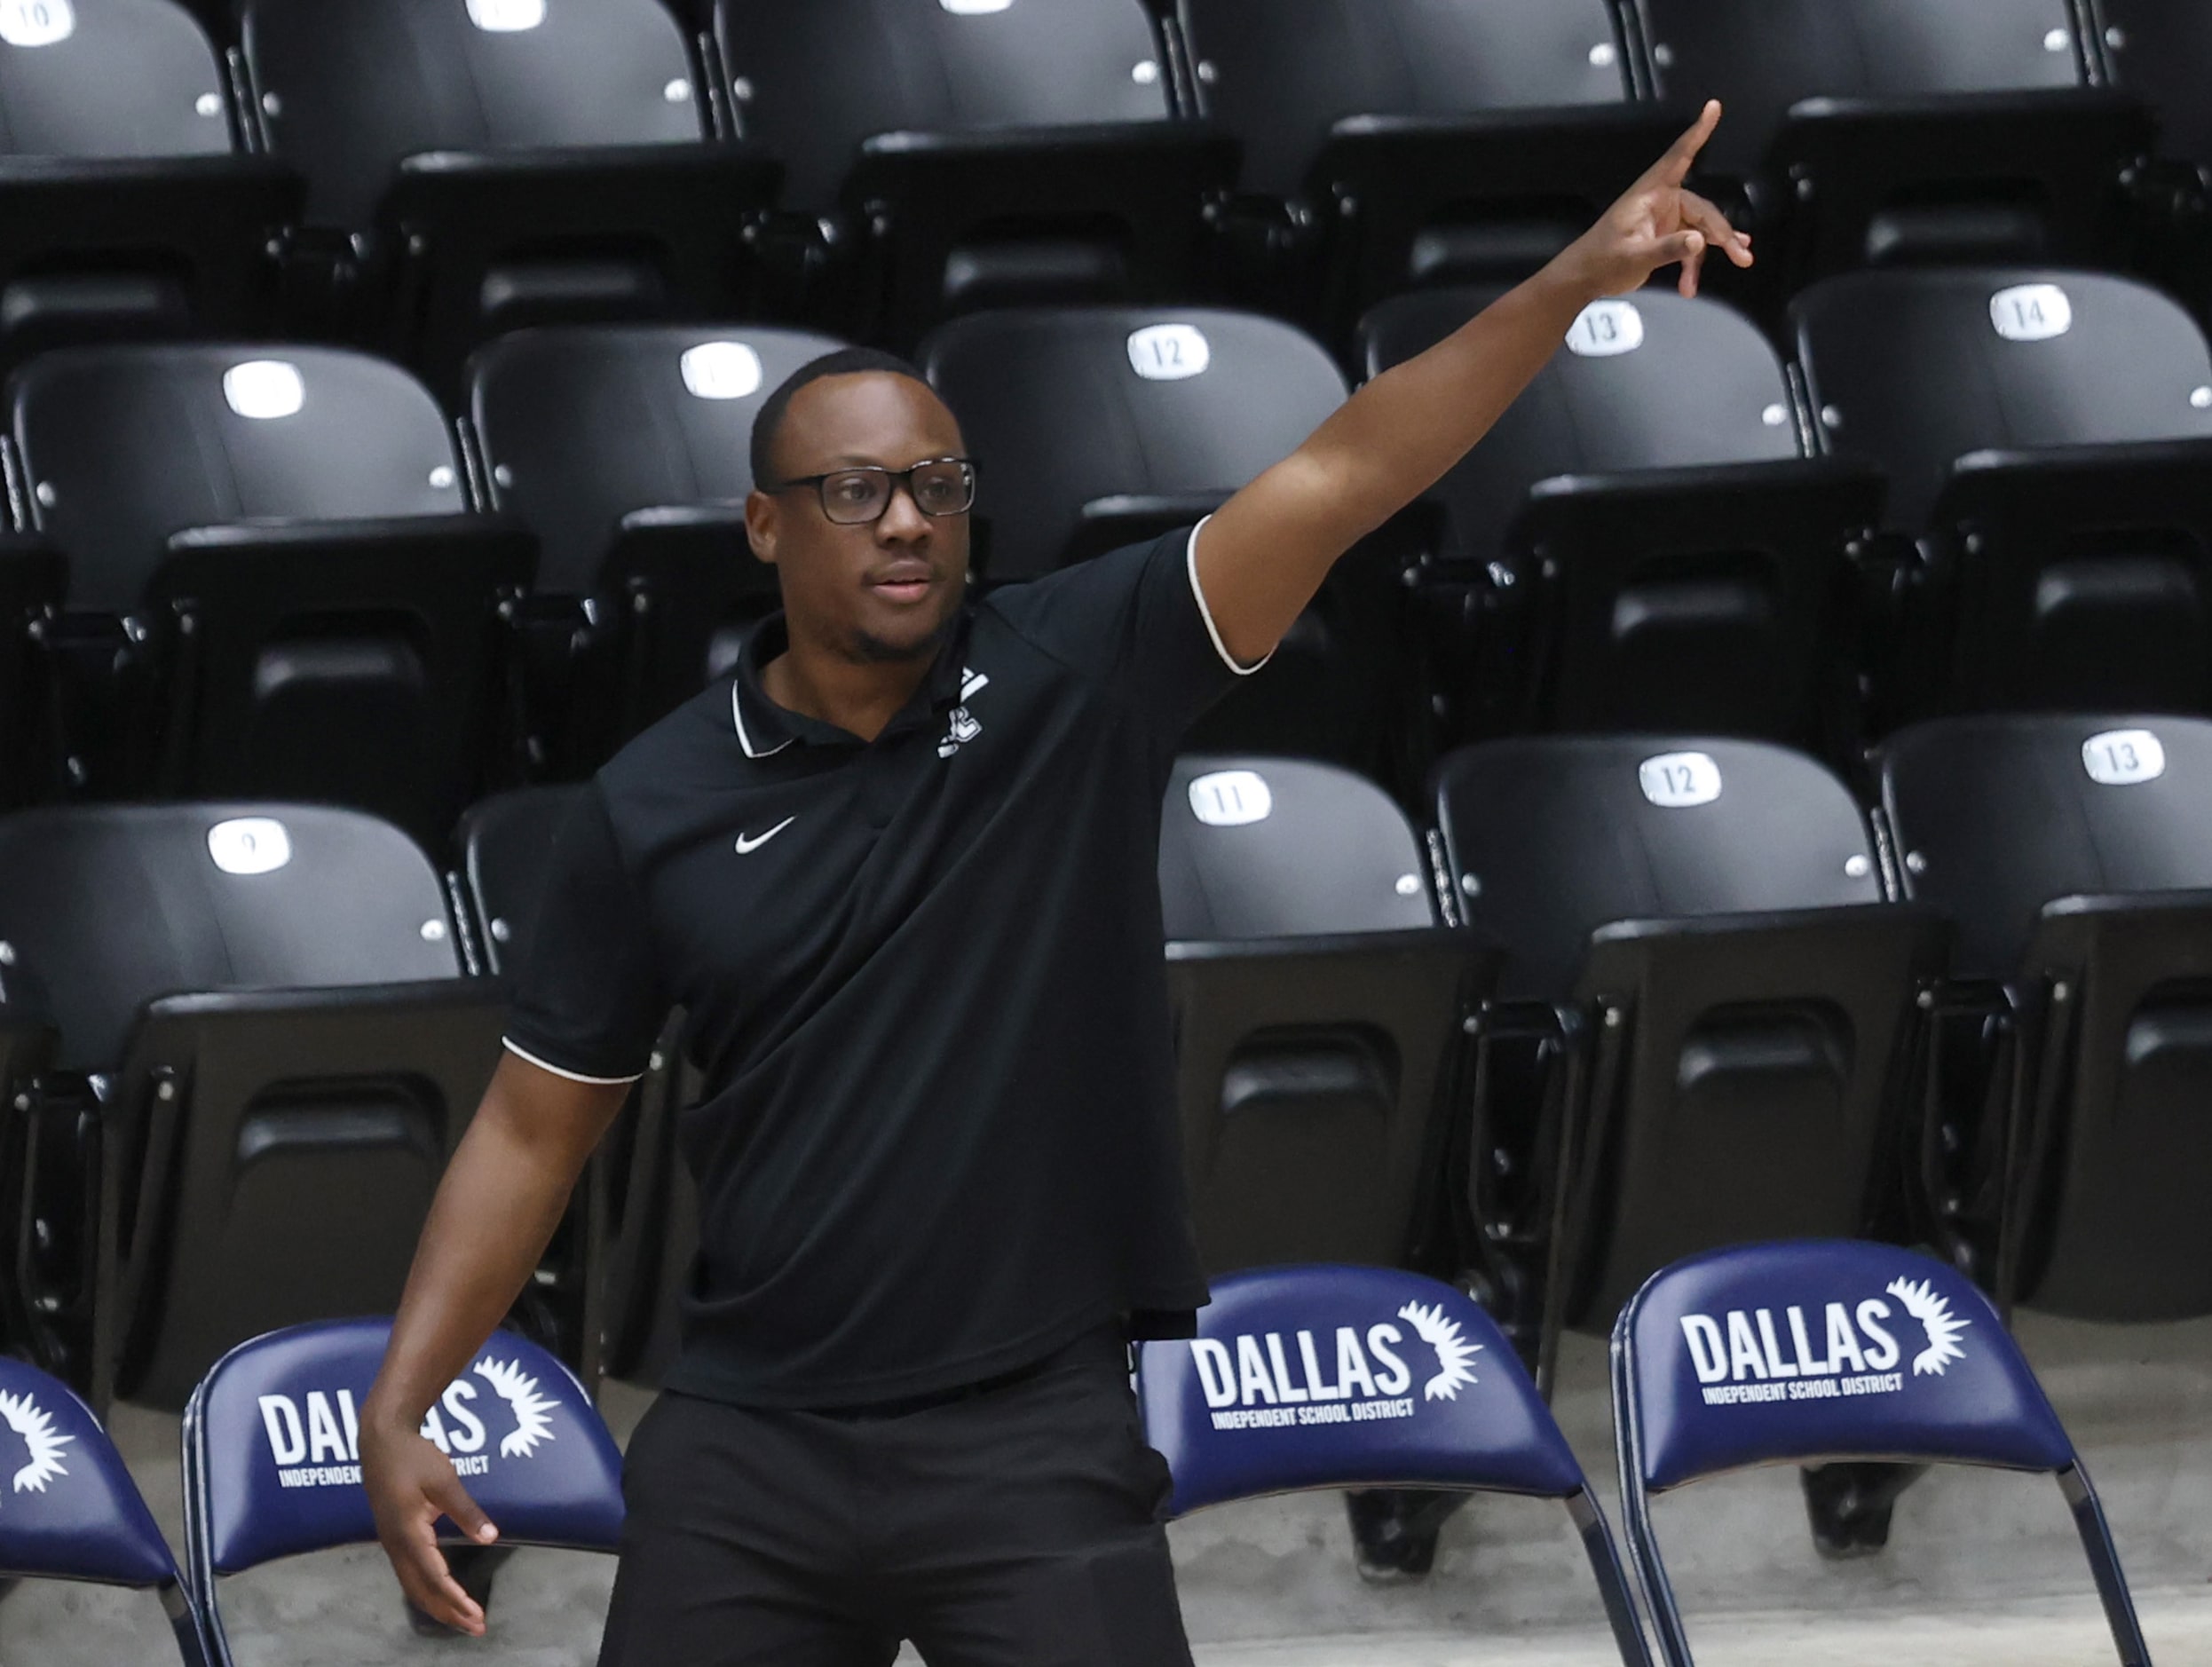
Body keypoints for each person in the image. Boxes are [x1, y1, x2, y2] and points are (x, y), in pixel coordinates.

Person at [358, 102, 1752, 1665]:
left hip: (1028, 1434)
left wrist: (1572, 279)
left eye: (939, 489)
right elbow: (537, 1122)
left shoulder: (1077, 671)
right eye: (853, 491)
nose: (905, 521)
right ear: (763, 524)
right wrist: (406, 1398)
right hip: (751, 1438)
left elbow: (1346, 469)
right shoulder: (651, 804)